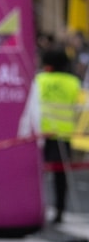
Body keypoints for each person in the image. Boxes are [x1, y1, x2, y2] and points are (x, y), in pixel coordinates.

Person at [34, 47, 80, 225]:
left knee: (37, 172)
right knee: (61, 175)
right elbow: (76, 106)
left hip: (41, 133)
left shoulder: (40, 80)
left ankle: (36, 206)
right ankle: (60, 210)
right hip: (64, 134)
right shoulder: (73, 82)